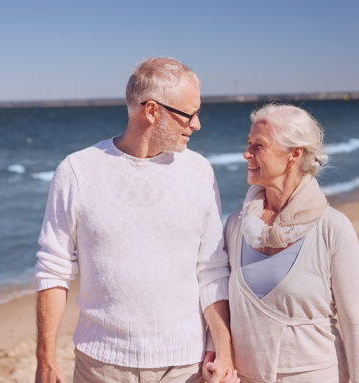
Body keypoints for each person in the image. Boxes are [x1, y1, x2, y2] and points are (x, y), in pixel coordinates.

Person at [34, 57, 238, 383]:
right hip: (99, 365)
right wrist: (45, 358)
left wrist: (224, 349)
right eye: (189, 114)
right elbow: (53, 268)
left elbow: (212, 267)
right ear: (152, 111)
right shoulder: (77, 171)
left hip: (186, 366)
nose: (196, 124)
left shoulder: (200, 172)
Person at [213, 104, 359, 382]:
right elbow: (221, 301)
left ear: (294, 154)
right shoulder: (235, 225)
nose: (247, 154)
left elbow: (355, 321)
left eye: (259, 146)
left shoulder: (332, 228)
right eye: (248, 144)